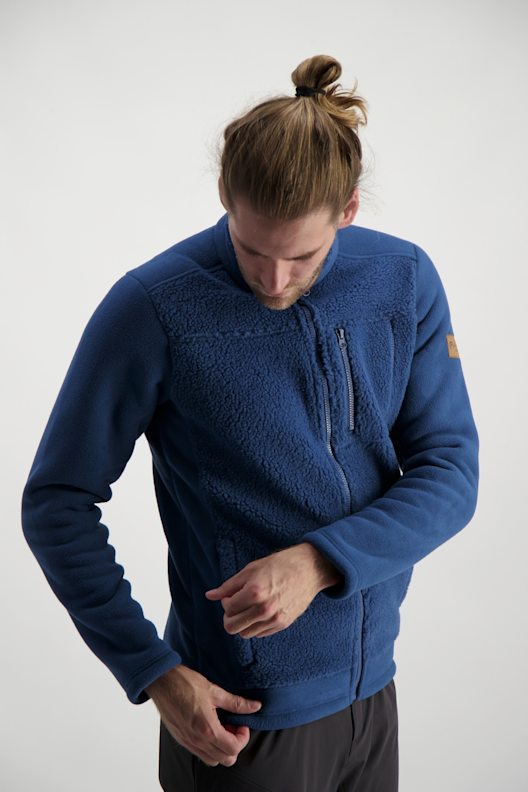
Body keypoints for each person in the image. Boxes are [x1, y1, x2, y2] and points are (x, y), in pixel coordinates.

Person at [21, 53, 479, 792]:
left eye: (302, 256)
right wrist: (153, 670)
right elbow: (57, 501)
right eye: (251, 248)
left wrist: (319, 562)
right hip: (240, 721)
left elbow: (451, 473)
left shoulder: (403, 280)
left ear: (349, 210)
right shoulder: (154, 307)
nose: (272, 279)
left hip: (372, 699)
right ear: (224, 198)